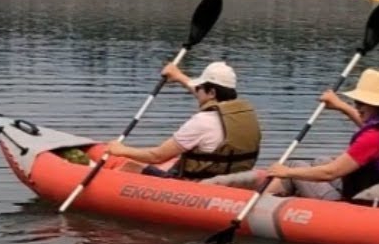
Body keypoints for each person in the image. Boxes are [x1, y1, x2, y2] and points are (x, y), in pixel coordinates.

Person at [263, 68, 379, 202]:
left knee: (293, 166)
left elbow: (330, 173)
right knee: (321, 161)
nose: (356, 106)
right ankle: (290, 193)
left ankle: (265, 203)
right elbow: (368, 127)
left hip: (358, 200)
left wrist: (284, 172)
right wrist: (340, 105)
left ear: (376, 105)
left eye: (360, 103)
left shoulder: (371, 137)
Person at [105, 60, 263, 180]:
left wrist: (121, 150)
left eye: (200, 88)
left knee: (130, 166)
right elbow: (205, 96)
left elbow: (157, 156)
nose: (197, 91)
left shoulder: (203, 121)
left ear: (212, 92)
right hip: (232, 180)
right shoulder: (245, 113)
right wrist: (178, 76)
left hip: (199, 186)